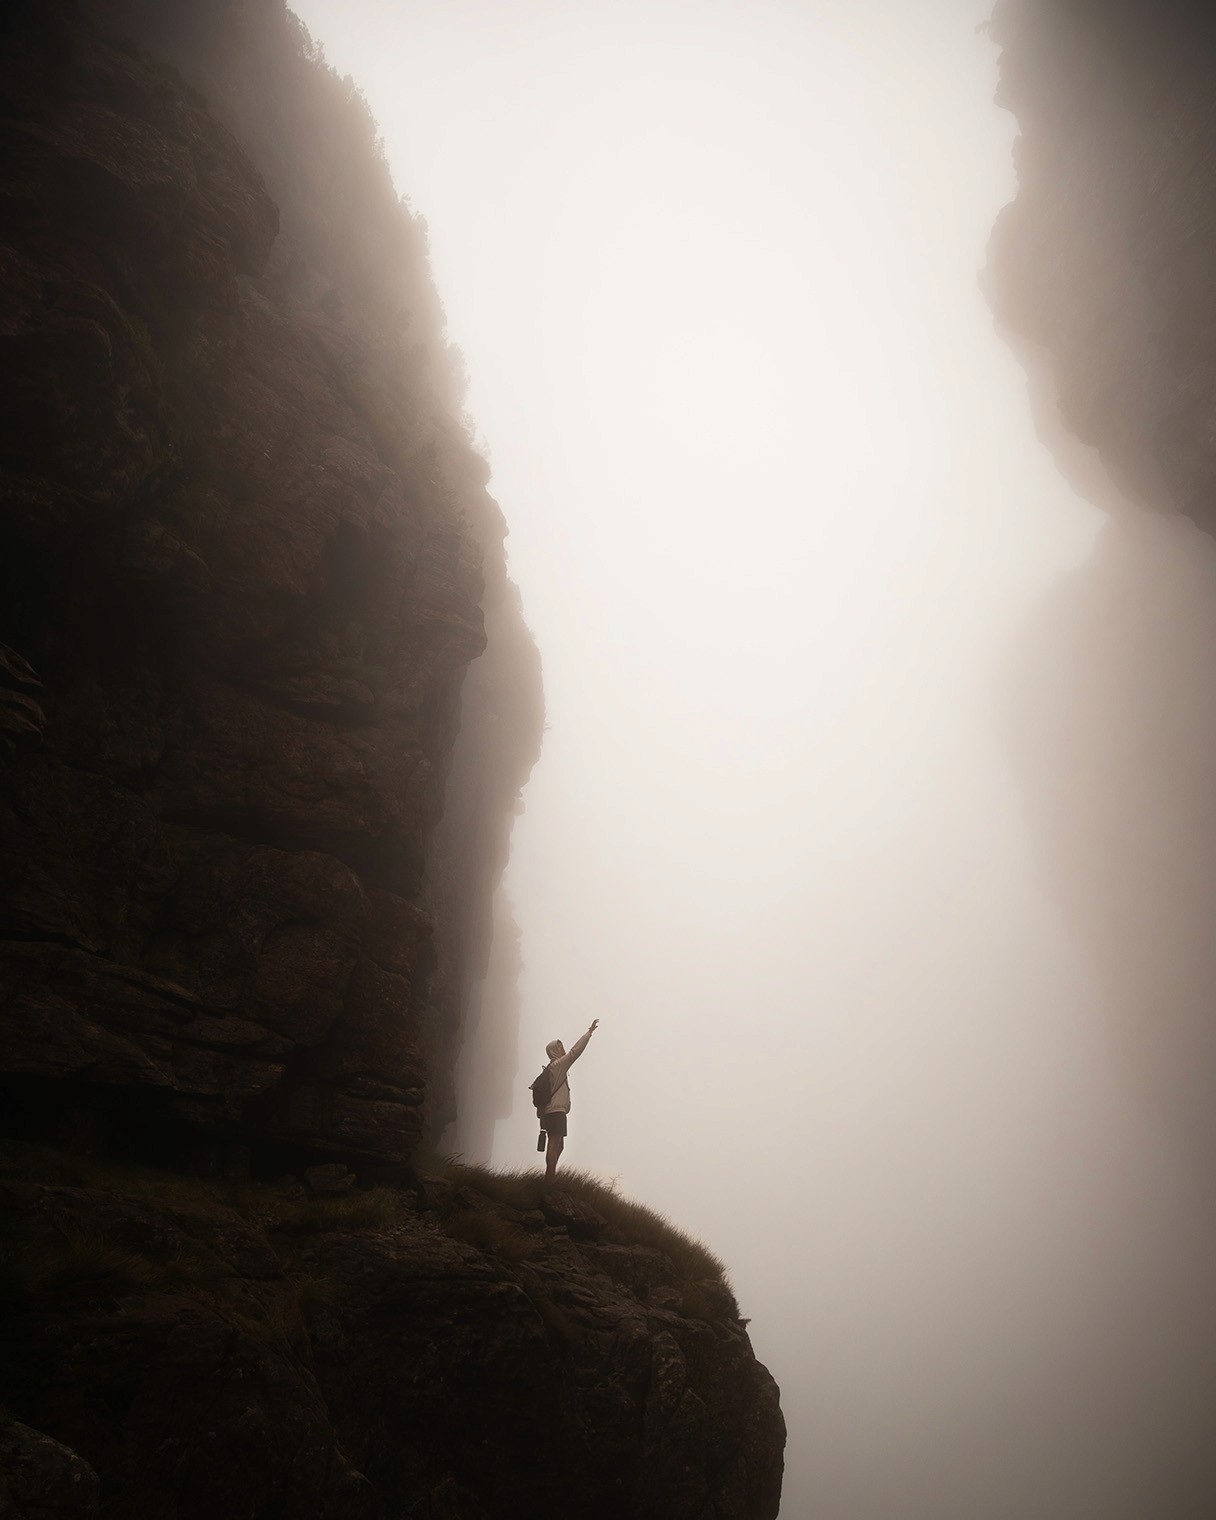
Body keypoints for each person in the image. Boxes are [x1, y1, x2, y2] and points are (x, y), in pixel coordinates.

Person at [536, 1019, 599, 1181]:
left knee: (559, 1145)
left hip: (551, 1113)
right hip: (555, 1112)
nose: (563, 1049)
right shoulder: (557, 1066)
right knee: (554, 1144)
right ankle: (549, 1180)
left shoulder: (552, 1068)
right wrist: (589, 1033)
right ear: (554, 1051)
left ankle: (550, 1175)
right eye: (559, 1047)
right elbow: (574, 1052)